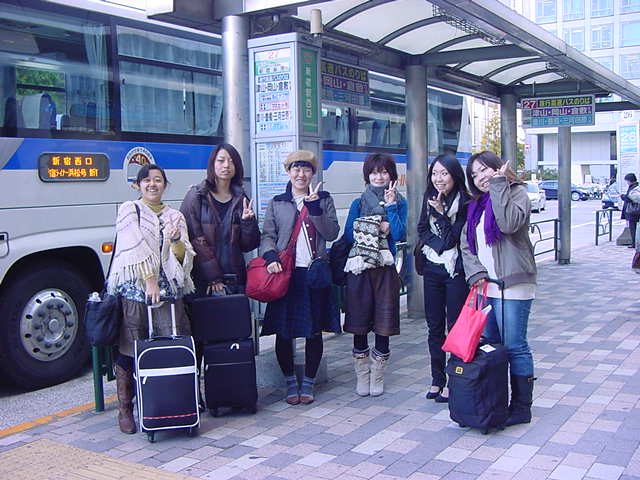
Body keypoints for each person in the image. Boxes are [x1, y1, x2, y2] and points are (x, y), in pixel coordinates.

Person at [107, 164, 195, 434]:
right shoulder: (129, 210)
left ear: (165, 185)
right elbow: (132, 246)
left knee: (171, 346)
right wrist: (149, 279)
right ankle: (125, 409)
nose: (152, 184)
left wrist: (176, 239)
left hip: (170, 294)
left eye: (158, 180)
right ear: (137, 185)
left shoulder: (175, 216)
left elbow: (182, 257)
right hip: (136, 292)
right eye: (146, 180)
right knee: (130, 349)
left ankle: (170, 403)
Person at [460, 151, 536, 427]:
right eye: (474, 174)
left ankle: (522, 407)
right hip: (487, 286)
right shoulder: (476, 205)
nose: (480, 177)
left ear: (497, 168)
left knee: (515, 345)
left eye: (484, 170)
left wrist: (499, 185)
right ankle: (496, 400)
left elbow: (508, 224)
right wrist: (476, 273)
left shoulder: (517, 193)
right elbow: (466, 243)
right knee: (492, 346)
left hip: (514, 284)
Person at [260, 150, 341, 405]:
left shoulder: (324, 200)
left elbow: (332, 233)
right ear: (288, 172)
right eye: (296, 169)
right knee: (284, 333)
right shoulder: (277, 202)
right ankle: (289, 382)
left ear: (313, 173)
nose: (301, 174)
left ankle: (308, 381)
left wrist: (314, 208)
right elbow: (268, 235)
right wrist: (270, 257)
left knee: (314, 331)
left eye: (306, 169)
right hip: (285, 275)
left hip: (314, 274)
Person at [343, 153, 407, 397]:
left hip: (385, 270)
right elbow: (348, 235)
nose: (379, 177)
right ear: (367, 175)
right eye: (374, 172)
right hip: (360, 269)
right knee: (359, 324)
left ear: (392, 175)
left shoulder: (400, 202)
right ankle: (362, 376)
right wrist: (375, 227)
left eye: (384, 172)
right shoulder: (357, 203)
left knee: (384, 323)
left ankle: (377, 376)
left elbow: (400, 234)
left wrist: (390, 208)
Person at [416, 154, 469, 403]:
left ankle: (454, 378)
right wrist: (437, 247)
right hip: (432, 268)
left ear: (454, 176)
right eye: (435, 173)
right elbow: (422, 229)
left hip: (455, 270)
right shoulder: (429, 197)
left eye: (444, 173)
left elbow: (453, 239)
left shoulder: (465, 202)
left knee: (454, 327)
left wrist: (442, 214)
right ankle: (437, 379)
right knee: (434, 327)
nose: (438, 179)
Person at [180, 143, 260, 296]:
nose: (226, 165)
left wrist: (247, 222)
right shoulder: (196, 196)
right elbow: (194, 240)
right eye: (221, 160)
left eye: (231, 161)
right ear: (212, 164)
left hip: (235, 277)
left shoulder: (240, 197)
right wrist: (214, 277)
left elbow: (249, 246)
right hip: (204, 281)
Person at [621, 173, 640, 249]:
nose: (627, 182)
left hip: (633, 211)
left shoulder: (634, 187)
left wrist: (623, 197)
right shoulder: (635, 186)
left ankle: (634, 243)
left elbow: (633, 198)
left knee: (633, 227)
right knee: (633, 227)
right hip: (634, 211)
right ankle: (634, 242)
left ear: (630, 180)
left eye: (627, 181)